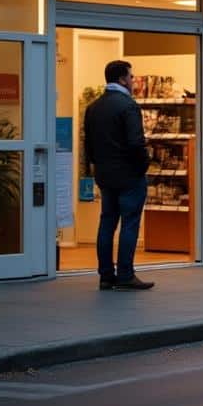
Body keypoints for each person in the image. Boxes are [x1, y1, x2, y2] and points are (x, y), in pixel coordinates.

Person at [83, 60, 154, 291]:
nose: (133, 81)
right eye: (131, 77)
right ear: (123, 79)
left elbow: (89, 145)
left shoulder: (93, 107)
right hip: (129, 175)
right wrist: (143, 166)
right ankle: (125, 274)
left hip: (105, 174)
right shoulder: (128, 106)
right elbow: (136, 143)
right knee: (130, 223)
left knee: (107, 223)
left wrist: (98, 165)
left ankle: (105, 275)